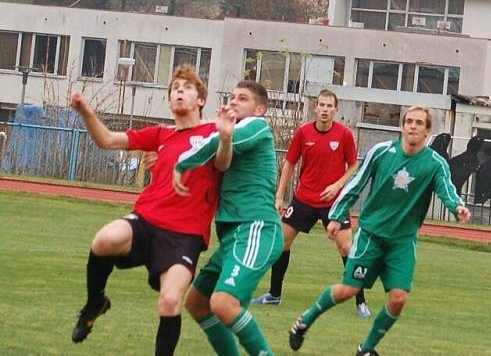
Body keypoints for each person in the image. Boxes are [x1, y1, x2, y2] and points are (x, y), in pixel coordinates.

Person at [288, 106, 471, 356]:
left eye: (419, 123)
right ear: (403, 126)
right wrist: (336, 216)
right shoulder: (382, 152)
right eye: (409, 121)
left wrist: (457, 207)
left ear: (428, 131)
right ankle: (304, 322)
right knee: (347, 291)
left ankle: (366, 349)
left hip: (402, 242)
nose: (413, 126)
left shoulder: (435, 163)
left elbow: (446, 190)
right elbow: (356, 184)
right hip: (371, 237)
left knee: (399, 299)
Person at [69, 65, 221, 356]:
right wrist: (86, 111)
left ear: (201, 99)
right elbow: (108, 141)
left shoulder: (215, 133)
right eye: (174, 87)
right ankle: (95, 303)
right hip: (147, 220)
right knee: (104, 240)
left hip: (185, 235)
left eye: (186, 87)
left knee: (169, 301)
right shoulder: (160, 135)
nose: (179, 91)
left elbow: (236, 149)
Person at [175, 81, 283, 356]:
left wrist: (179, 162)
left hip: (256, 227)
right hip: (234, 235)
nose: (234, 101)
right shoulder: (228, 132)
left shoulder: (257, 126)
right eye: (232, 97)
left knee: (224, 304)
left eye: (242, 99)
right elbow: (205, 138)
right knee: (197, 302)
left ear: (260, 109)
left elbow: (212, 142)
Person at [251, 89, 370, 318]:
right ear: (315, 107)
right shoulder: (303, 132)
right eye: (321, 105)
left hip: (333, 202)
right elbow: (290, 163)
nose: (324, 110)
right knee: (281, 242)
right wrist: (279, 195)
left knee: (346, 248)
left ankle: (361, 303)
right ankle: (274, 295)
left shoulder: (344, 134)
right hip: (304, 198)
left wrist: (337, 186)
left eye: (329, 106)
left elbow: (354, 166)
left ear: (336, 109)